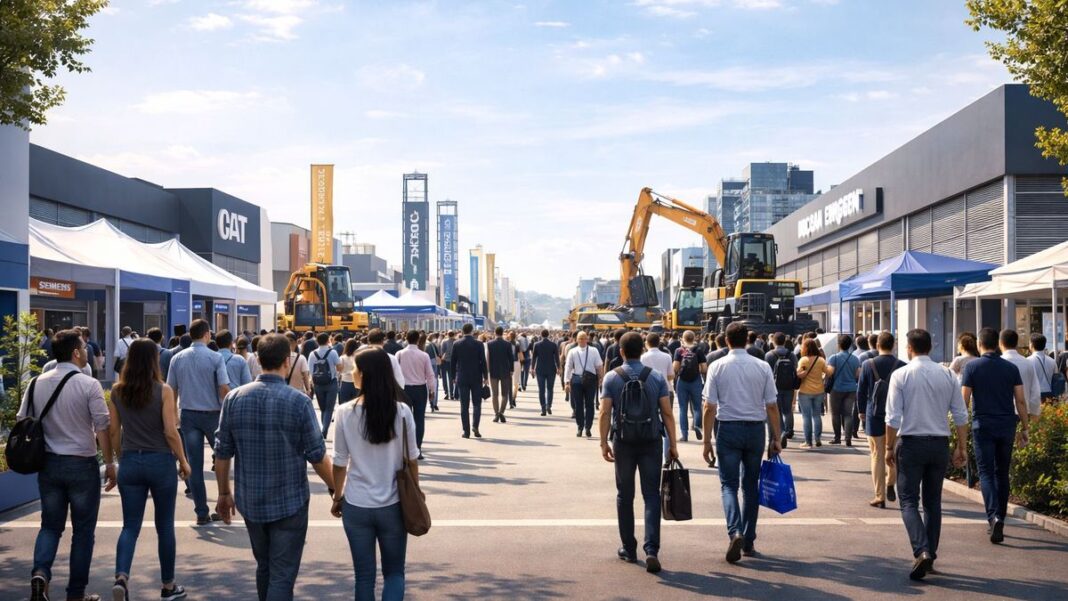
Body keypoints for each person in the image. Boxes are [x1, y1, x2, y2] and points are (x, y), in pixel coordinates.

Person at [214, 333, 335, 601]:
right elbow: (317, 456)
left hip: (250, 500)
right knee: (282, 573)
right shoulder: (299, 402)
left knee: (265, 566)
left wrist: (224, 493)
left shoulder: (234, 399)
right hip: (289, 501)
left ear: (257, 358)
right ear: (287, 359)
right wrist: (336, 489)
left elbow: (222, 452)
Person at [20, 329, 115, 601]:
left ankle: (40, 573)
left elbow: (22, 420)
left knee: (50, 526)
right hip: (82, 465)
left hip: (48, 465)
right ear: (75, 352)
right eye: (84, 347)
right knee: (83, 532)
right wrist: (109, 463)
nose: (86, 351)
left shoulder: (36, 382)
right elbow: (102, 427)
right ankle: (76, 594)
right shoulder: (88, 384)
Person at [330, 348, 420, 601]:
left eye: (356, 369)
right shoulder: (402, 412)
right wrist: (417, 491)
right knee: (394, 573)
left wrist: (338, 495)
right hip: (393, 504)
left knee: (364, 576)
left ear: (365, 375)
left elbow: (339, 462)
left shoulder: (345, 412)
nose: (352, 373)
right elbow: (412, 461)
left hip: (356, 503)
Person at [107, 339, 192, 601]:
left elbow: (113, 431)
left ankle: (121, 577)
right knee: (164, 526)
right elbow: (170, 431)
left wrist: (120, 459)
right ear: (154, 360)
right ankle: (168, 586)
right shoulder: (163, 390)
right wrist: (183, 461)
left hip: (131, 462)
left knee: (129, 526)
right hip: (160, 463)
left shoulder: (117, 391)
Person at [885, 329, 969, 581]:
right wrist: (961, 447)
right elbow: (961, 414)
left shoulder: (901, 374)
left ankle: (921, 550)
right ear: (930, 348)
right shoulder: (947, 374)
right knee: (933, 501)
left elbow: (892, 417)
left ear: (909, 348)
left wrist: (889, 447)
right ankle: (930, 553)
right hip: (939, 444)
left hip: (910, 443)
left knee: (909, 500)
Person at [701, 322, 782, 562]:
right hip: (756, 429)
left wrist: (706, 441)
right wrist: (776, 437)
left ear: (726, 341)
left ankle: (734, 530)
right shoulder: (762, 366)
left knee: (728, 485)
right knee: (750, 486)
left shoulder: (717, 366)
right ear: (747, 340)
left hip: (727, 428)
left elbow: (709, 406)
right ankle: (748, 541)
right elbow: (772, 406)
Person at [599, 332, 678, 574]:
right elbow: (666, 412)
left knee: (625, 494)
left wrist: (603, 442)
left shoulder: (612, 377)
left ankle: (629, 548)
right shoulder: (654, 377)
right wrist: (672, 444)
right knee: (651, 494)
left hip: (623, 441)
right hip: (651, 440)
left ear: (620, 352)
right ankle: (651, 548)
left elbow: (604, 413)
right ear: (641, 350)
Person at [961, 328, 1030, 544]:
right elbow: (1020, 400)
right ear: (997, 344)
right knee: (1002, 473)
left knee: (986, 473)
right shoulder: (1011, 368)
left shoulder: (971, 366)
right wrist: (1025, 427)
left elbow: (964, 400)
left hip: (982, 425)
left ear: (980, 344)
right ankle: (1001, 515)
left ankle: (994, 516)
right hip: (1007, 424)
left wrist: (960, 428)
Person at [166, 319, 230, 525]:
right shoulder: (215, 357)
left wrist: (173, 415)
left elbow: (171, 390)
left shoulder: (177, 358)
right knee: (222, 460)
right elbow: (223, 389)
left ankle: (201, 512)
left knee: (193, 464)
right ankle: (223, 505)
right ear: (207, 334)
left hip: (188, 416)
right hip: (213, 415)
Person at [856, 332, 905, 508]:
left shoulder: (868, 365)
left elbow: (861, 391)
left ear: (877, 345)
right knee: (893, 452)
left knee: (876, 455)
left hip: (874, 415)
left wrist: (861, 411)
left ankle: (879, 496)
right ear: (893, 345)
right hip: (897, 417)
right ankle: (891, 482)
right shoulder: (902, 366)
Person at [396, 330, 436, 457]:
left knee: (402, 419)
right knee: (419, 419)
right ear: (418, 340)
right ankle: (417, 449)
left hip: (404, 390)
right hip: (420, 389)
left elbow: (395, 373)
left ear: (406, 339)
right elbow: (430, 375)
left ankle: (404, 449)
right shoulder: (424, 355)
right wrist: (432, 390)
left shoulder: (400, 354)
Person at [451, 323, 489, 438]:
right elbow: (483, 361)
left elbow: (453, 362)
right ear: (472, 331)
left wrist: (453, 377)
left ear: (462, 331)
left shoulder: (456, 344)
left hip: (462, 377)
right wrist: (485, 377)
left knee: (464, 405)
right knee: (477, 403)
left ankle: (466, 431)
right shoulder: (479, 344)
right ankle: (475, 426)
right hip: (476, 377)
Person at [565, 331, 604, 438]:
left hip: (590, 379)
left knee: (590, 404)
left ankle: (588, 427)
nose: (582, 340)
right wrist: (567, 382)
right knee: (578, 405)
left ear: (587, 339)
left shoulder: (594, 350)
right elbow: (568, 367)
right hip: (577, 379)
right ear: (576, 340)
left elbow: (599, 365)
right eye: (580, 338)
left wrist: (601, 378)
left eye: (584, 338)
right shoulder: (572, 351)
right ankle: (580, 426)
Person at [999, 329, 1043, 424]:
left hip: (1000, 415)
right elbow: (1035, 392)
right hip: (1023, 414)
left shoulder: (996, 364)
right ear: (1016, 343)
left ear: (1000, 343)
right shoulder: (1027, 363)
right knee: (1022, 438)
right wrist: (1034, 415)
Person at [826, 334, 862, 446]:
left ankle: (837, 438)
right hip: (851, 389)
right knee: (848, 414)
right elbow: (858, 374)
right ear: (850, 345)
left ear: (839, 345)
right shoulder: (855, 359)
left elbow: (830, 372)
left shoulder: (834, 358)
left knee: (836, 414)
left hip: (836, 389)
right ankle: (848, 438)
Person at [796, 338, 831, 449]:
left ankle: (808, 442)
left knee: (806, 417)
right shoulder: (820, 360)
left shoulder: (803, 360)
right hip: (819, 391)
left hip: (805, 392)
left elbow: (798, 374)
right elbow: (828, 372)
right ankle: (818, 438)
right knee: (817, 415)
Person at [672, 330, 706, 442]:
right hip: (696, 381)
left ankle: (684, 435)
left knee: (683, 408)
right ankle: (696, 425)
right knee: (697, 407)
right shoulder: (699, 350)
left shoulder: (679, 350)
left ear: (683, 338)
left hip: (682, 382)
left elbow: (675, 368)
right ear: (694, 338)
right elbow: (704, 369)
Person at [765, 332, 797, 448]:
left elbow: (766, 373)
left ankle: (781, 431)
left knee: (776, 411)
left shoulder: (769, 355)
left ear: (773, 341)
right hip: (789, 386)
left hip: (774, 387)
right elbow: (795, 370)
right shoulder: (791, 355)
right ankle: (789, 431)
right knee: (788, 410)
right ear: (785, 341)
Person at [308, 332, 342, 439]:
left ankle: (323, 429)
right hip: (331, 382)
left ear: (317, 341)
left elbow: (310, 370)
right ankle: (324, 430)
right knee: (329, 408)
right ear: (328, 340)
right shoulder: (333, 352)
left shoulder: (312, 354)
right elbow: (340, 367)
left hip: (317, 383)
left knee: (323, 408)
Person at [487, 327, 515, 424]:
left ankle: (496, 414)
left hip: (493, 371)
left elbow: (488, 358)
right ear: (503, 333)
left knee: (495, 394)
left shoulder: (490, 344)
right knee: (505, 394)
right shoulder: (507, 344)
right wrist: (511, 370)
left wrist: (487, 371)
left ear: (495, 333)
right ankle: (501, 412)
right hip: (505, 371)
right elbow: (511, 358)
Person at [530, 329, 560, 416]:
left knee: (541, 390)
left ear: (541, 335)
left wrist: (532, 368)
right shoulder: (553, 345)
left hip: (540, 369)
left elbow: (534, 357)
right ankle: (549, 406)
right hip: (551, 369)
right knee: (550, 389)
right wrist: (558, 368)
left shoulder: (537, 344)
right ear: (548, 335)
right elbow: (557, 358)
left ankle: (543, 408)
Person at [1028, 333, 1057, 403]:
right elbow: (1056, 378)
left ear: (1031, 345)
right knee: (1049, 414)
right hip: (1050, 396)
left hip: (1034, 396)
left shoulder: (1028, 361)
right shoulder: (1052, 361)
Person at [338, 338, 360, 405]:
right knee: (356, 405)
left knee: (344, 404)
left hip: (345, 382)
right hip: (357, 383)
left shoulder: (342, 358)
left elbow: (339, 370)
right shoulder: (359, 357)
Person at [425, 333, 442, 410]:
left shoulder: (422, 345)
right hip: (433, 364)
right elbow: (438, 355)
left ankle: (429, 402)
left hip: (424, 364)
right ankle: (434, 402)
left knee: (425, 385)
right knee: (434, 384)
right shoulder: (433, 345)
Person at [441, 331, 456, 400]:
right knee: (451, 378)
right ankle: (452, 393)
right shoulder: (456, 342)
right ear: (454, 335)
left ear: (447, 335)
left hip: (445, 361)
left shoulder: (444, 342)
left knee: (444, 378)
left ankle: (446, 392)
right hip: (453, 362)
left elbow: (442, 352)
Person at [509, 331, 523, 405]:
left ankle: (509, 397)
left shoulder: (506, 343)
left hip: (508, 364)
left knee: (509, 381)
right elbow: (521, 357)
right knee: (516, 382)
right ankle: (514, 397)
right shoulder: (517, 344)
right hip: (516, 363)